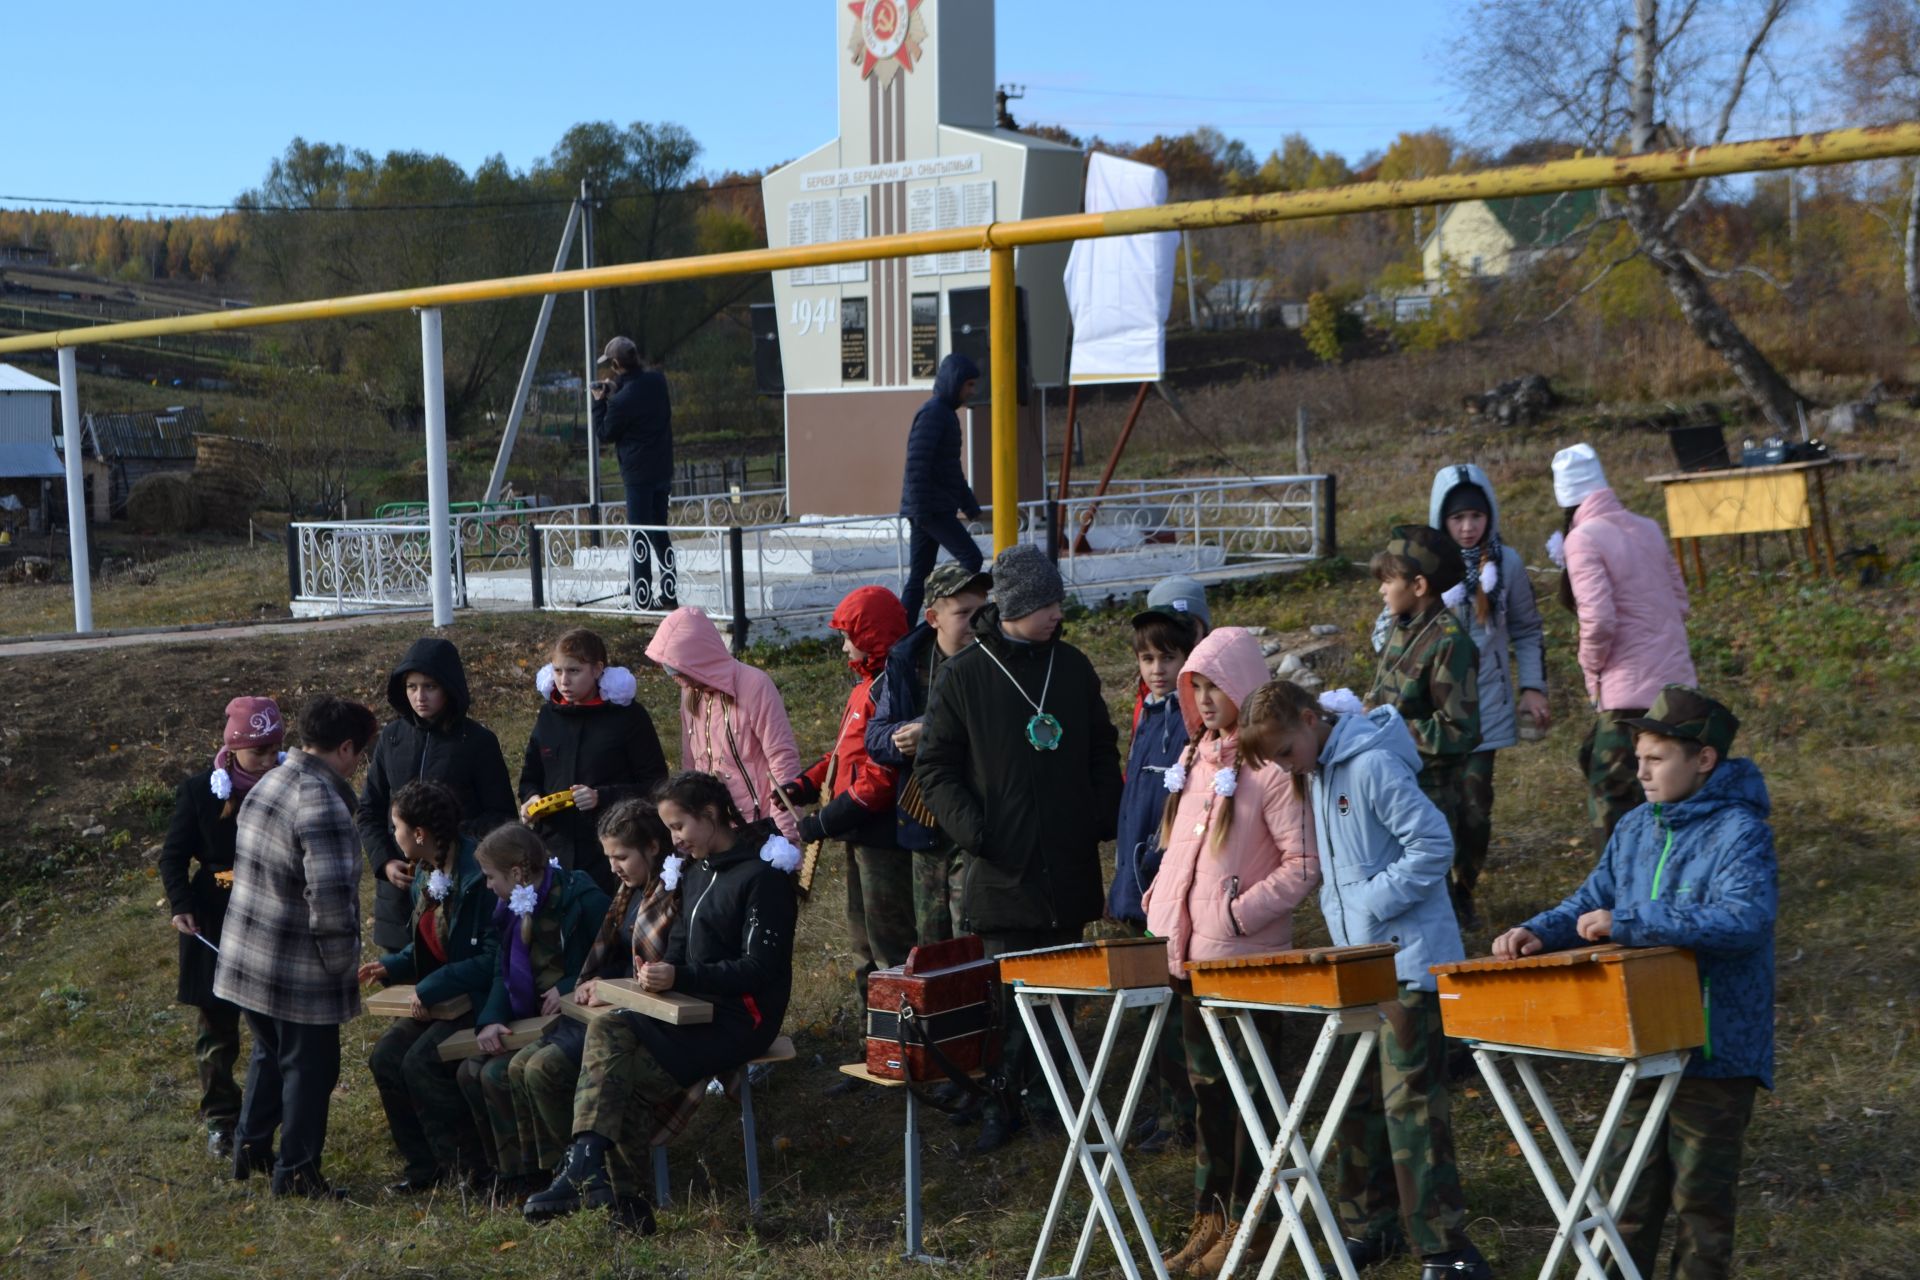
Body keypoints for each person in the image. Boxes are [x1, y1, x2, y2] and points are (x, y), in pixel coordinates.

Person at [1493, 686, 1773, 1280]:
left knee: (1700, 1206)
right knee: (1625, 1195)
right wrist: (1540, 930)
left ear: (1703, 760)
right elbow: (1594, 900)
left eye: (1655, 759)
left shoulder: (1740, 832)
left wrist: (1632, 923)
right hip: (1644, 1041)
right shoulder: (1636, 827)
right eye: (1638, 758)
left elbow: (1743, 921)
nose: (1638, 771)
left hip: (1715, 1052)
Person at [1239, 681, 1491, 1280]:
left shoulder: (1372, 764)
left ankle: (1446, 1247)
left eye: (1284, 752)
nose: (1283, 767)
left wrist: (1374, 902)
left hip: (1409, 965)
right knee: (1358, 1100)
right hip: (1360, 969)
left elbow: (1432, 844)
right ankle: (1369, 1226)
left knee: (1412, 1107)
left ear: (1310, 720)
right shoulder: (1321, 773)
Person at [915, 543, 1123, 1152]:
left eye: (1058, 601)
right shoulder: (966, 674)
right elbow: (936, 767)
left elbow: (1100, 748)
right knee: (1009, 994)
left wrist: (1098, 813)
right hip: (1003, 866)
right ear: (1017, 605)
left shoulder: (1074, 666)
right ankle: (1002, 1103)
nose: (1058, 612)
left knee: (1062, 986)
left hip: (1067, 858)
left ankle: (1055, 1098)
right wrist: (978, 833)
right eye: (1046, 603)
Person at [525, 771, 799, 1232]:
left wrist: (682, 975)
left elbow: (761, 969)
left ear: (711, 817)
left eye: (678, 828)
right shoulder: (695, 871)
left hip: (739, 1021)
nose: (674, 840)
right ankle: (618, 1199)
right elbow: (681, 948)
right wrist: (658, 975)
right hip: (689, 1009)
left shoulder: (762, 878)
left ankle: (592, 1173)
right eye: (670, 829)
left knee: (615, 1046)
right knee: (614, 1052)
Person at [1143, 629, 1318, 1277]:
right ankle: (1210, 1216)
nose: (1206, 698)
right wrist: (1161, 907)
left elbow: (1303, 866)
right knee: (1208, 1092)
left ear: (1244, 685)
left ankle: (1256, 1219)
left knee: (1251, 1094)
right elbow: (1183, 855)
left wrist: (1237, 914)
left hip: (1245, 963)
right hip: (1189, 960)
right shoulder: (1197, 758)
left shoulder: (1269, 768)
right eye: (1197, 687)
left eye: (1216, 685)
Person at [212, 694, 379, 1198]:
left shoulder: (271, 781)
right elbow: (328, 902)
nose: (359, 765)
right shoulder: (323, 803)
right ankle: (298, 1173)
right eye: (360, 753)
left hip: (247, 957)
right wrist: (341, 966)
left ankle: (250, 1149)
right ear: (346, 748)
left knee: (270, 1052)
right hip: (297, 969)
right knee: (313, 1069)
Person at [1373, 467, 1547, 928]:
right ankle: (1441, 895)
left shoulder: (1505, 563)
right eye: (1458, 518)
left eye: (1476, 515)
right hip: (1430, 712)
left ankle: (1465, 886)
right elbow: (1390, 629)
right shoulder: (1422, 567)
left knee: (1475, 807)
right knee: (1434, 807)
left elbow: (1527, 629)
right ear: (1442, 521)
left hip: (1484, 708)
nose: (1468, 527)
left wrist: (1532, 687)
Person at [509, 800, 691, 1207]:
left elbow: (660, 969)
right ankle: (578, 1170)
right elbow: (605, 957)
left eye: (622, 856)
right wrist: (592, 984)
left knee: (543, 1069)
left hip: (637, 1021)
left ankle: (592, 1174)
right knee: (521, 1066)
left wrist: (606, 986)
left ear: (652, 847)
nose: (614, 867)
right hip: (602, 1012)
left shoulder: (675, 894)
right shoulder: (627, 893)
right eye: (609, 857)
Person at [1551, 443, 1698, 853]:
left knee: (1612, 793)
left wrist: (1592, 671)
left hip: (1625, 693)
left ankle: (1616, 893)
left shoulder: (1581, 539)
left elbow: (1597, 620)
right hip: (1677, 687)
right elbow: (1681, 602)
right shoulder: (1647, 527)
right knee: (1671, 790)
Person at [157, 695, 285, 1160]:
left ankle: (273, 1111)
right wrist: (182, 904)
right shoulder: (199, 792)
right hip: (216, 917)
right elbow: (172, 856)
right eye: (260, 753)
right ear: (233, 750)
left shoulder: (289, 785)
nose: (270, 761)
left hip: (272, 913)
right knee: (218, 1025)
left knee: (273, 1023)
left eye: (275, 751)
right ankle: (221, 1119)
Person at [358, 781, 497, 1193]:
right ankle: (424, 1167)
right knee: (385, 1057)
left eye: (396, 826)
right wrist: (388, 966)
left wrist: (431, 987)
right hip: (443, 997)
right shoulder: (426, 872)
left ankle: (470, 1170)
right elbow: (430, 945)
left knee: (422, 1062)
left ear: (419, 833)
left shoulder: (477, 874)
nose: (392, 834)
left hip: (480, 999)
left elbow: (491, 959)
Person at [456, 825, 609, 1193]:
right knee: (470, 1071)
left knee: (507, 1072)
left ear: (517, 873)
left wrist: (570, 984)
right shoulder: (509, 908)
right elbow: (502, 971)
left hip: (576, 1015)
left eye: (492, 876)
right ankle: (512, 1169)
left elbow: (613, 957)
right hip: (532, 1017)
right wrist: (491, 1020)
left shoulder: (579, 897)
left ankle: (559, 1168)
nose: (488, 885)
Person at [783, 586, 913, 998]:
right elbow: (844, 751)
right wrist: (806, 783)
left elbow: (879, 778)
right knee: (861, 939)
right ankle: (870, 1032)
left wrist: (824, 820)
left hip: (880, 835)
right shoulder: (867, 685)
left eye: (848, 637)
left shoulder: (890, 688)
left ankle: (900, 1035)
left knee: (885, 940)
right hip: (858, 832)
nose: (843, 648)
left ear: (870, 635)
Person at [1109, 596, 1200, 1157]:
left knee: (1173, 1005)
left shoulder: (1187, 722)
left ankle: (1181, 1114)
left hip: (1164, 881)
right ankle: (1167, 1107)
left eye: (1168, 657)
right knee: (1152, 1002)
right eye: (1147, 658)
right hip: (1136, 880)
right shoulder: (1149, 714)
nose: (1157, 668)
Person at [359, 637, 517, 954]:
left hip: (456, 882)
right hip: (398, 886)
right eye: (412, 687)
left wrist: (446, 847)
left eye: (429, 686)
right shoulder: (391, 738)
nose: (420, 697)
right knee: (400, 978)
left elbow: (500, 816)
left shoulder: (477, 742)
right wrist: (384, 861)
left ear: (448, 687)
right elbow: (369, 809)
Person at [865, 561, 991, 946]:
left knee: (969, 933)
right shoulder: (906, 661)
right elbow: (877, 735)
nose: (975, 622)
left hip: (975, 814)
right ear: (933, 617)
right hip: (924, 821)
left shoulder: (993, 659)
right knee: (932, 939)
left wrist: (931, 733)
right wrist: (902, 740)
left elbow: (995, 725)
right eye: (963, 613)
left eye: (982, 611)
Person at [1367, 525, 1481, 895]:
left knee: (1429, 891)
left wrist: (1386, 729)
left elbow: (1457, 729)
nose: (1382, 590)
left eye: (1389, 580)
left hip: (1429, 791)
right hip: (1393, 779)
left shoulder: (1449, 643)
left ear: (1418, 586)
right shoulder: (1401, 627)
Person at [518, 628, 670, 895]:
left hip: (609, 853)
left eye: (574, 671)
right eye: (557, 671)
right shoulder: (548, 716)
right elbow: (531, 775)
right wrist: (531, 798)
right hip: (555, 846)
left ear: (598, 669)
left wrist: (603, 797)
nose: (564, 681)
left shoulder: (627, 717)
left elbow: (655, 784)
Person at [645, 606, 803, 843]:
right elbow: (691, 761)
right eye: (670, 670)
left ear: (699, 660)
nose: (679, 679)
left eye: (680, 670)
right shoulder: (690, 693)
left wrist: (785, 835)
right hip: (712, 828)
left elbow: (782, 759)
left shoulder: (755, 685)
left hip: (759, 826)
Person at [592, 335, 677, 609]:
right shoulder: (657, 381)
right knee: (658, 532)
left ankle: (642, 597)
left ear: (616, 364)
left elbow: (604, 433)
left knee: (638, 533)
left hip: (637, 475)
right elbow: (638, 389)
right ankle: (668, 591)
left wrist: (598, 402)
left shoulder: (620, 402)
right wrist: (616, 387)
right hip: (662, 469)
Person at [898, 352, 984, 620]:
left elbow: (950, 469)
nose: (972, 391)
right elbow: (917, 465)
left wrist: (968, 504)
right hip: (930, 510)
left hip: (930, 508)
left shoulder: (944, 414)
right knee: (972, 559)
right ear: (954, 382)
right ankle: (952, 617)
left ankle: (900, 634)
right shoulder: (934, 414)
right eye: (968, 385)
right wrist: (922, 511)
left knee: (919, 576)